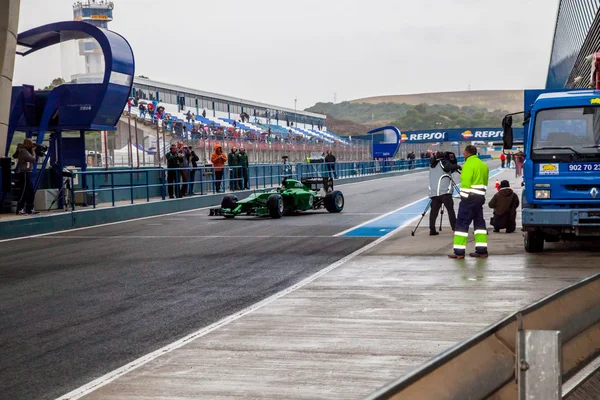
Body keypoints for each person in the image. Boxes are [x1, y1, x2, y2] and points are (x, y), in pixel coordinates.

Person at [449, 145, 490, 259]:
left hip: (469, 198)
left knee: (462, 223)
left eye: (464, 153)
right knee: (479, 224)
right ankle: (482, 251)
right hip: (480, 198)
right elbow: (485, 182)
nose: (463, 154)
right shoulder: (483, 166)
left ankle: (459, 252)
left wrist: (464, 197)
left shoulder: (468, 165)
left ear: (467, 153)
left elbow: (466, 183)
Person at [428, 151, 460, 235]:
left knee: (434, 212)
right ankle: (455, 228)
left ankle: (432, 229)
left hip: (435, 192)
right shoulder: (443, 162)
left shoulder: (432, 165)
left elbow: (445, 170)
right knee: (450, 210)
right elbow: (449, 167)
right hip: (444, 191)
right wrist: (457, 166)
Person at [14, 138, 39, 215]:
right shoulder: (23, 151)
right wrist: (34, 151)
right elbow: (32, 159)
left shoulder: (26, 151)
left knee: (31, 192)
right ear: (27, 145)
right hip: (24, 173)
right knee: (24, 191)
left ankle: (30, 208)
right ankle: (20, 209)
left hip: (28, 173)